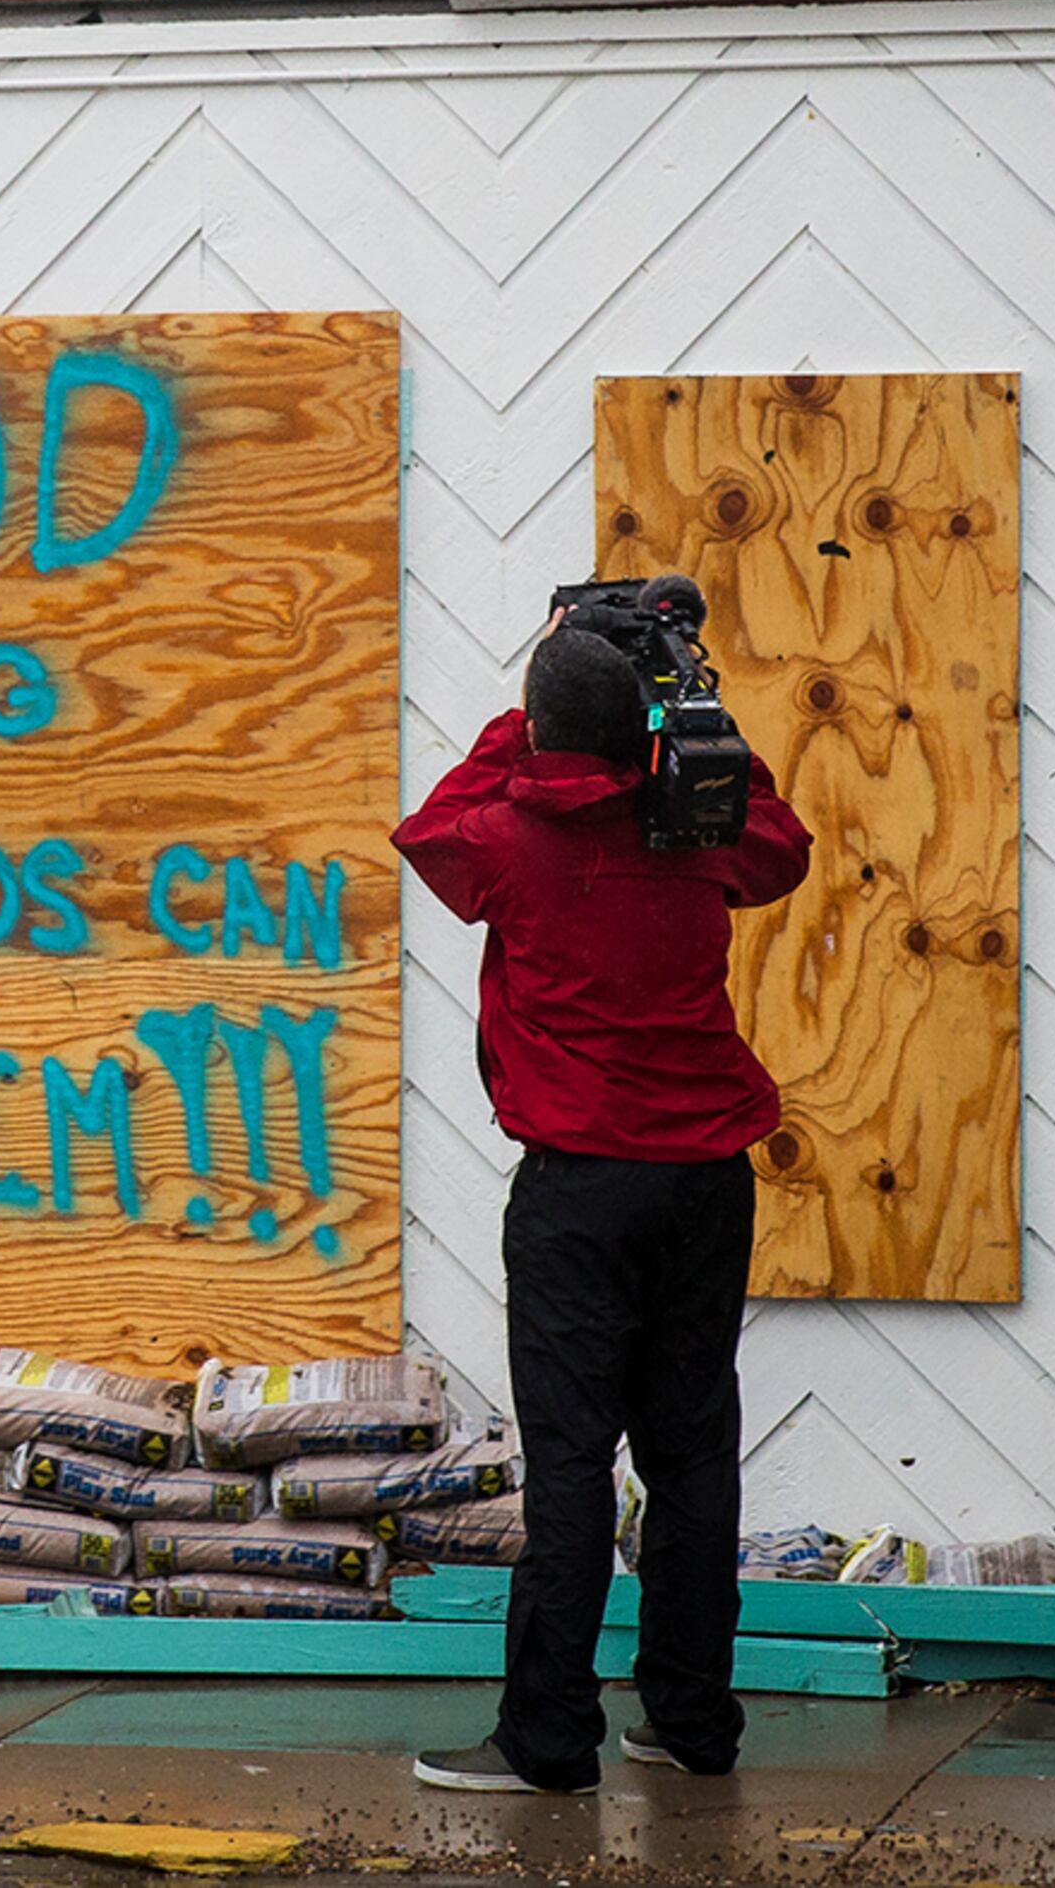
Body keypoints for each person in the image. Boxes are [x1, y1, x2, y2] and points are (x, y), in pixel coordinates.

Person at [388, 597, 812, 1794]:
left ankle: (546, 1741)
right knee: (694, 1453)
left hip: (579, 1189)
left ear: (538, 730)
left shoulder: (509, 840)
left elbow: (429, 832)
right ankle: (690, 1722)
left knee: (572, 1460)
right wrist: (699, 718)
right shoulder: (696, 829)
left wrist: (535, 693)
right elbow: (780, 842)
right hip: (704, 1184)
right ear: (647, 733)